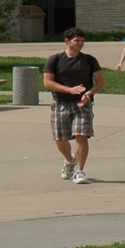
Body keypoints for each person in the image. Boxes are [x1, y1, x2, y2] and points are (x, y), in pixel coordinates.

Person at [43, 27, 105, 184]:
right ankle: (70, 160)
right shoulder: (55, 59)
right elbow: (47, 82)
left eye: (83, 41)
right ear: (67, 41)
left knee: (81, 136)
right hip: (60, 103)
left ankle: (79, 171)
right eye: (77, 40)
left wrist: (88, 94)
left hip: (82, 104)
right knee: (60, 138)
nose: (80, 44)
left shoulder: (89, 60)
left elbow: (100, 82)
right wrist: (69, 90)